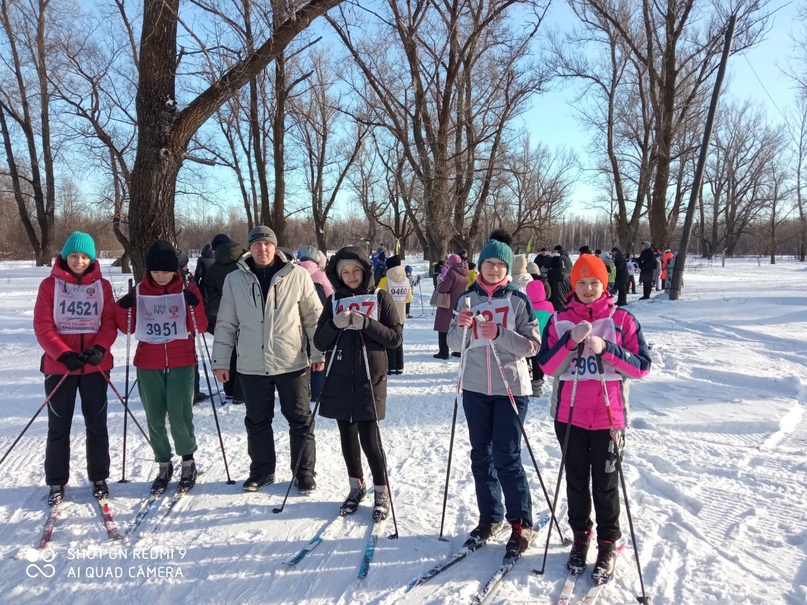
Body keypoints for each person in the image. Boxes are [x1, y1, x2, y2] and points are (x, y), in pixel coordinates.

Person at [537, 254, 651, 583]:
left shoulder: (622, 319)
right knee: (576, 482)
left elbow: (642, 366)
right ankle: (581, 536)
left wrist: (607, 349)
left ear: (604, 285)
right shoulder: (559, 320)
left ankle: (607, 543)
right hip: (569, 414)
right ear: (573, 285)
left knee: (605, 485)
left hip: (609, 416)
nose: (588, 289)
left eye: (594, 283)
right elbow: (547, 367)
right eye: (582, 283)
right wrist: (570, 342)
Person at [447, 229, 541, 557]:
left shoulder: (518, 300)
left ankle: (521, 522)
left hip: (511, 389)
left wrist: (500, 333)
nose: (494, 270)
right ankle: (490, 517)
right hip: (474, 387)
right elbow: (453, 345)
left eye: (500, 265)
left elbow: (532, 346)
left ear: (507, 269)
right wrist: (461, 327)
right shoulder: (466, 299)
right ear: (480, 265)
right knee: (480, 455)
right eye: (488, 263)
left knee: (507, 456)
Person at [211, 226, 324, 493]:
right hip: (252, 363)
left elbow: (313, 317)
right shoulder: (235, 279)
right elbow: (226, 322)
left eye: (268, 244)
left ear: (275, 247)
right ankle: (262, 471)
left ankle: (303, 473)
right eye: (257, 244)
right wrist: (221, 360)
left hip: (291, 361)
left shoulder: (297, 275)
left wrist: (319, 352)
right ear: (249, 248)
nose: (263, 249)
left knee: (300, 419)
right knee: (257, 420)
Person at [313, 246, 403, 519]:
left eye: (355, 270)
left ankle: (381, 489)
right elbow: (319, 341)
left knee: (370, 437)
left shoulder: (380, 297)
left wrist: (367, 325)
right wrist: (335, 325)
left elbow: (395, 338)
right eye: (345, 272)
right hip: (340, 375)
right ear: (338, 275)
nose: (351, 276)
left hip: (370, 376)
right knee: (347, 436)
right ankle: (356, 486)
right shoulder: (333, 301)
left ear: (364, 270)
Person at [116, 240, 207, 494]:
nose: (161, 275)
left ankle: (187, 461)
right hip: (149, 362)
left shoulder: (187, 289)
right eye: (156, 271)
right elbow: (127, 328)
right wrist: (123, 308)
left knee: (179, 415)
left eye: (166, 271)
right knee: (154, 416)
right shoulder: (139, 291)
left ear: (174, 270)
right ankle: (163, 463)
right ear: (148, 270)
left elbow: (200, 326)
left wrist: (193, 304)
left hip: (181, 360)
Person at [34, 232, 117, 505]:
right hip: (61, 367)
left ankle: (99, 477)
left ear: (91, 258)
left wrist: (100, 348)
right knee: (58, 426)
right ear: (65, 256)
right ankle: (57, 481)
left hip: (95, 367)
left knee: (97, 424)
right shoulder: (50, 285)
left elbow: (109, 322)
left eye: (84, 257)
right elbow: (43, 326)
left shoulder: (103, 286)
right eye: (74, 256)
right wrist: (63, 353)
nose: (79, 261)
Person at [203, 233, 246, 404]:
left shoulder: (213, 269)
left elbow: (210, 297)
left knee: (228, 352)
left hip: (221, 316)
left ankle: (228, 390)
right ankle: (240, 394)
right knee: (245, 354)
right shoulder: (244, 263)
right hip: (245, 314)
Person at [297, 245, 334, 400]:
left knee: (300, 356)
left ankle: (301, 390)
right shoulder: (320, 275)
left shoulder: (293, 272)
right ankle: (317, 391)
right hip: (318, 319)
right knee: (318, 353)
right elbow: (331, 295)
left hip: (297, 320)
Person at [177, 248, 208, 404]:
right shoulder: (185, 280)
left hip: (189, 326)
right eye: (184, 266)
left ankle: (193, 392)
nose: (187, 268)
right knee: (190, 358)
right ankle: (193, 393)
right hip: (182, 328)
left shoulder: (189, 279)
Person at [377, 255, 411, 374]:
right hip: (400, 315)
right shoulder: (406, 280)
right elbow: (408, 298)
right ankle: (399, 366)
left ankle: (390, 366)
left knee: (388, 340)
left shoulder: (385, 280)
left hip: (387, 315)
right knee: (399, 340)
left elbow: (377, 296)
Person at [432, 254, 468, 359]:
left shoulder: (452, 272)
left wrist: (440, 283)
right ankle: (458, 350)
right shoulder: (465, 272)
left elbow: (445, 288)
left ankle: (443, 352)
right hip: (459, 301)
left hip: (447, 302)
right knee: (458, 326)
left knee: (443, 327)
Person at [525, 277, 554, 396]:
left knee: (526, 360)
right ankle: (537, 385)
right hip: (543, 339)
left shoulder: (526, 306)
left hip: (528, 338)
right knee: (538, 362)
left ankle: (526, 380)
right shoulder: (549, 305)